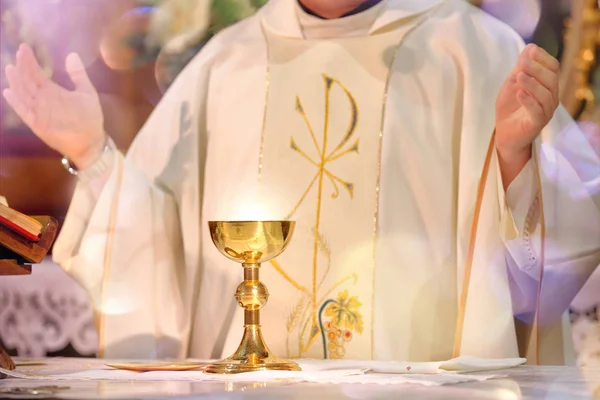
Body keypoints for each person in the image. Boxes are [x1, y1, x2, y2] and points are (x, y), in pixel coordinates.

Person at [3, 0, 600, 364]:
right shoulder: (226, 63)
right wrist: (93, 153)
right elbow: (154, 251)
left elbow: (542, 288)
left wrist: (514, 159)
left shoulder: (477, 52)